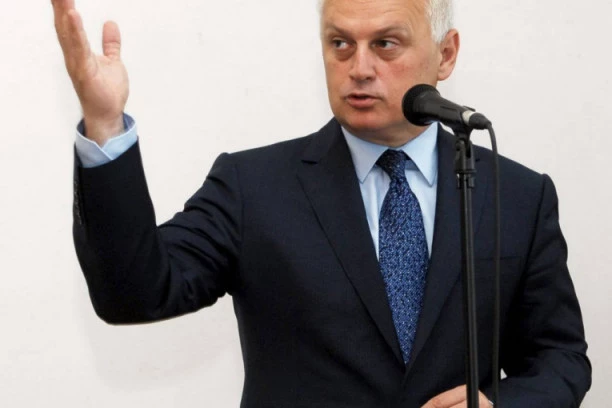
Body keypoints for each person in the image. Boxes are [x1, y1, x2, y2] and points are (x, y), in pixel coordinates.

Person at [52, 0, 591, 406]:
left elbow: (560, 357)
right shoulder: (252, 187)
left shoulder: (516, 194)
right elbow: (133, 293)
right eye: (340, 44)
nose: (359, 67)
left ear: (445, 54)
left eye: (386, 44)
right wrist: (105, 124)